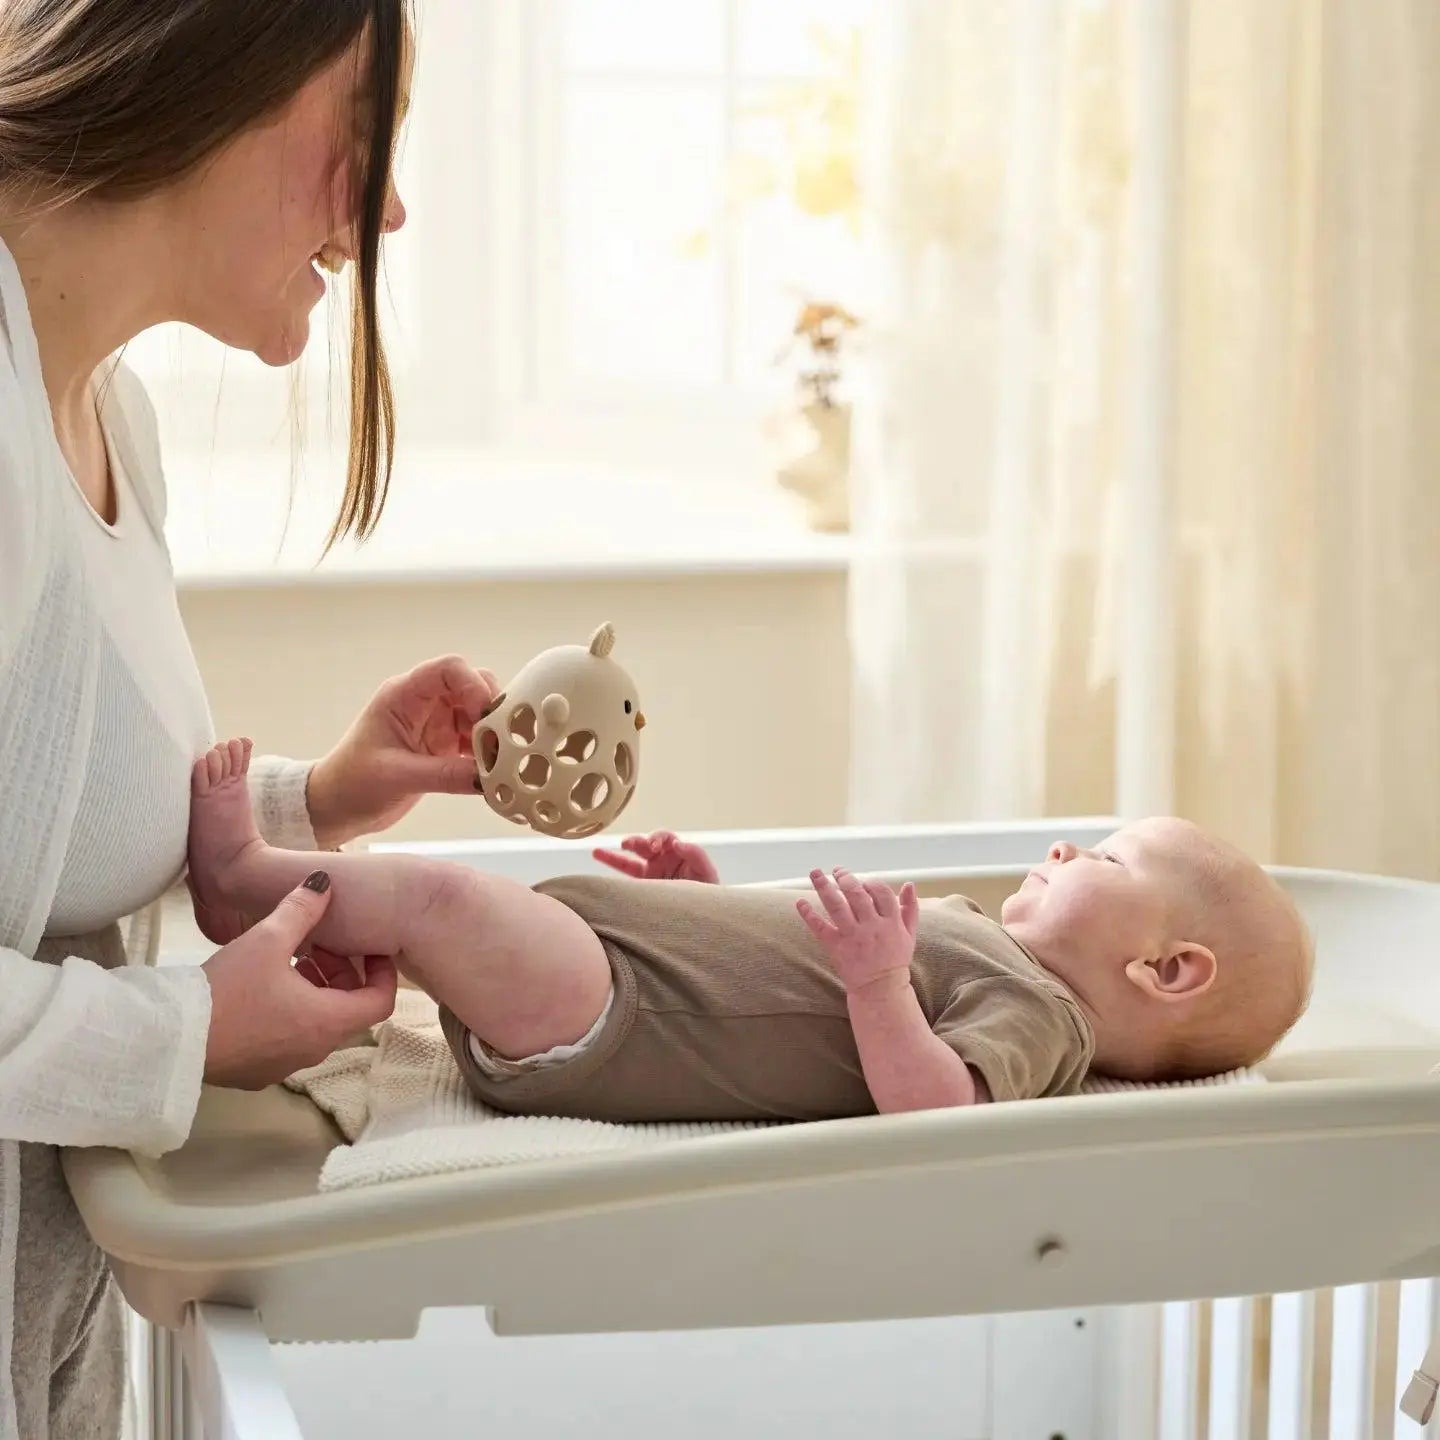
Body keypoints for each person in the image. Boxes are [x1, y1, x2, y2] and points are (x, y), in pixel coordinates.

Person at [0, 3, 501, 1435]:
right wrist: (189, 1034)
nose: (390, 206)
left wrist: (311, 803)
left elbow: (37, 808)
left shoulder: (106, 417)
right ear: (219, 69)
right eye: (366, 132)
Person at [188, 738, 1315, 1125]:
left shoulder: (1045, 1021)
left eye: (1104, 859)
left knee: (443, 902)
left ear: (1166, 971)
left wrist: (880, 984)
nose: (1066, 851)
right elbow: (782, 980)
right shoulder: (998, 951)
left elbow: (934, 1112)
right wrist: (712, 898)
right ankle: (292, 918)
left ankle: (250, 881)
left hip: (615, 1023)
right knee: (446, 918)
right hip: (633, 974)